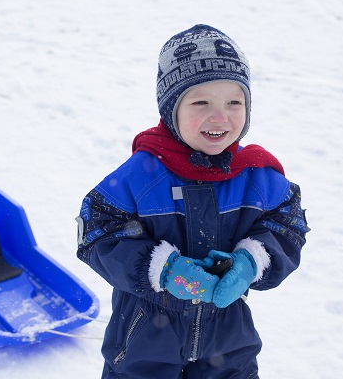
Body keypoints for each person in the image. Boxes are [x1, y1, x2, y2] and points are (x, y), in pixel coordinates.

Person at [76, 24, 308, 379]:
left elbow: (286, 224)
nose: (220, 117)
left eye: (235, 102)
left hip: (228, 336)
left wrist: (251, 261)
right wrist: (160, 269)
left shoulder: (256, 176)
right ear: (172, 109)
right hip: (145, 335)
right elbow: (97, 231)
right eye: (201, 102)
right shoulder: (143, 174)